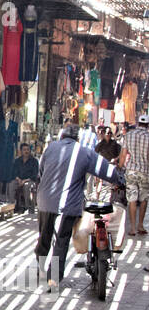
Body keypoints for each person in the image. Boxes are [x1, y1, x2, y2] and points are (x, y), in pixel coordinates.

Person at [35, 122, 127, 288]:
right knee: (61, 240)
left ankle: (40, 270)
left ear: (62, 136)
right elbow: (104, 169)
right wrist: (120, 180)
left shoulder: (50, 148)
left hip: (45, 200)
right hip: (68, 203)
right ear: (77, 138)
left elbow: (40, 172)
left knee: (44, 236)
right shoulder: (83, 152)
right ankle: (53, 278)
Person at [123, 114, 149, 237]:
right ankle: (140, 225)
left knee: (132, 199)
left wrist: (120, 166)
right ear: (147, 125)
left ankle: (132, 228)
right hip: (145, 171)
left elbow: (123, 154)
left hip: (131, 171)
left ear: (138, 123)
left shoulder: (128, 135)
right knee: (143, 199)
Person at [7, 143, 39, 210]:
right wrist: (18, 179)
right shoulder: (17, 161)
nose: (26, 151)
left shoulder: (34, 161)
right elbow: (13, 172)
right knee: (11, 184)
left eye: (28, 149)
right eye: (24, 150)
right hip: (18, 180)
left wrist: (25, 180)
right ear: (21, 151)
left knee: (27, 186)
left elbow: (35, 174)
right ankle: (11, 206)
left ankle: (27, 207)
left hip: (30, 180)